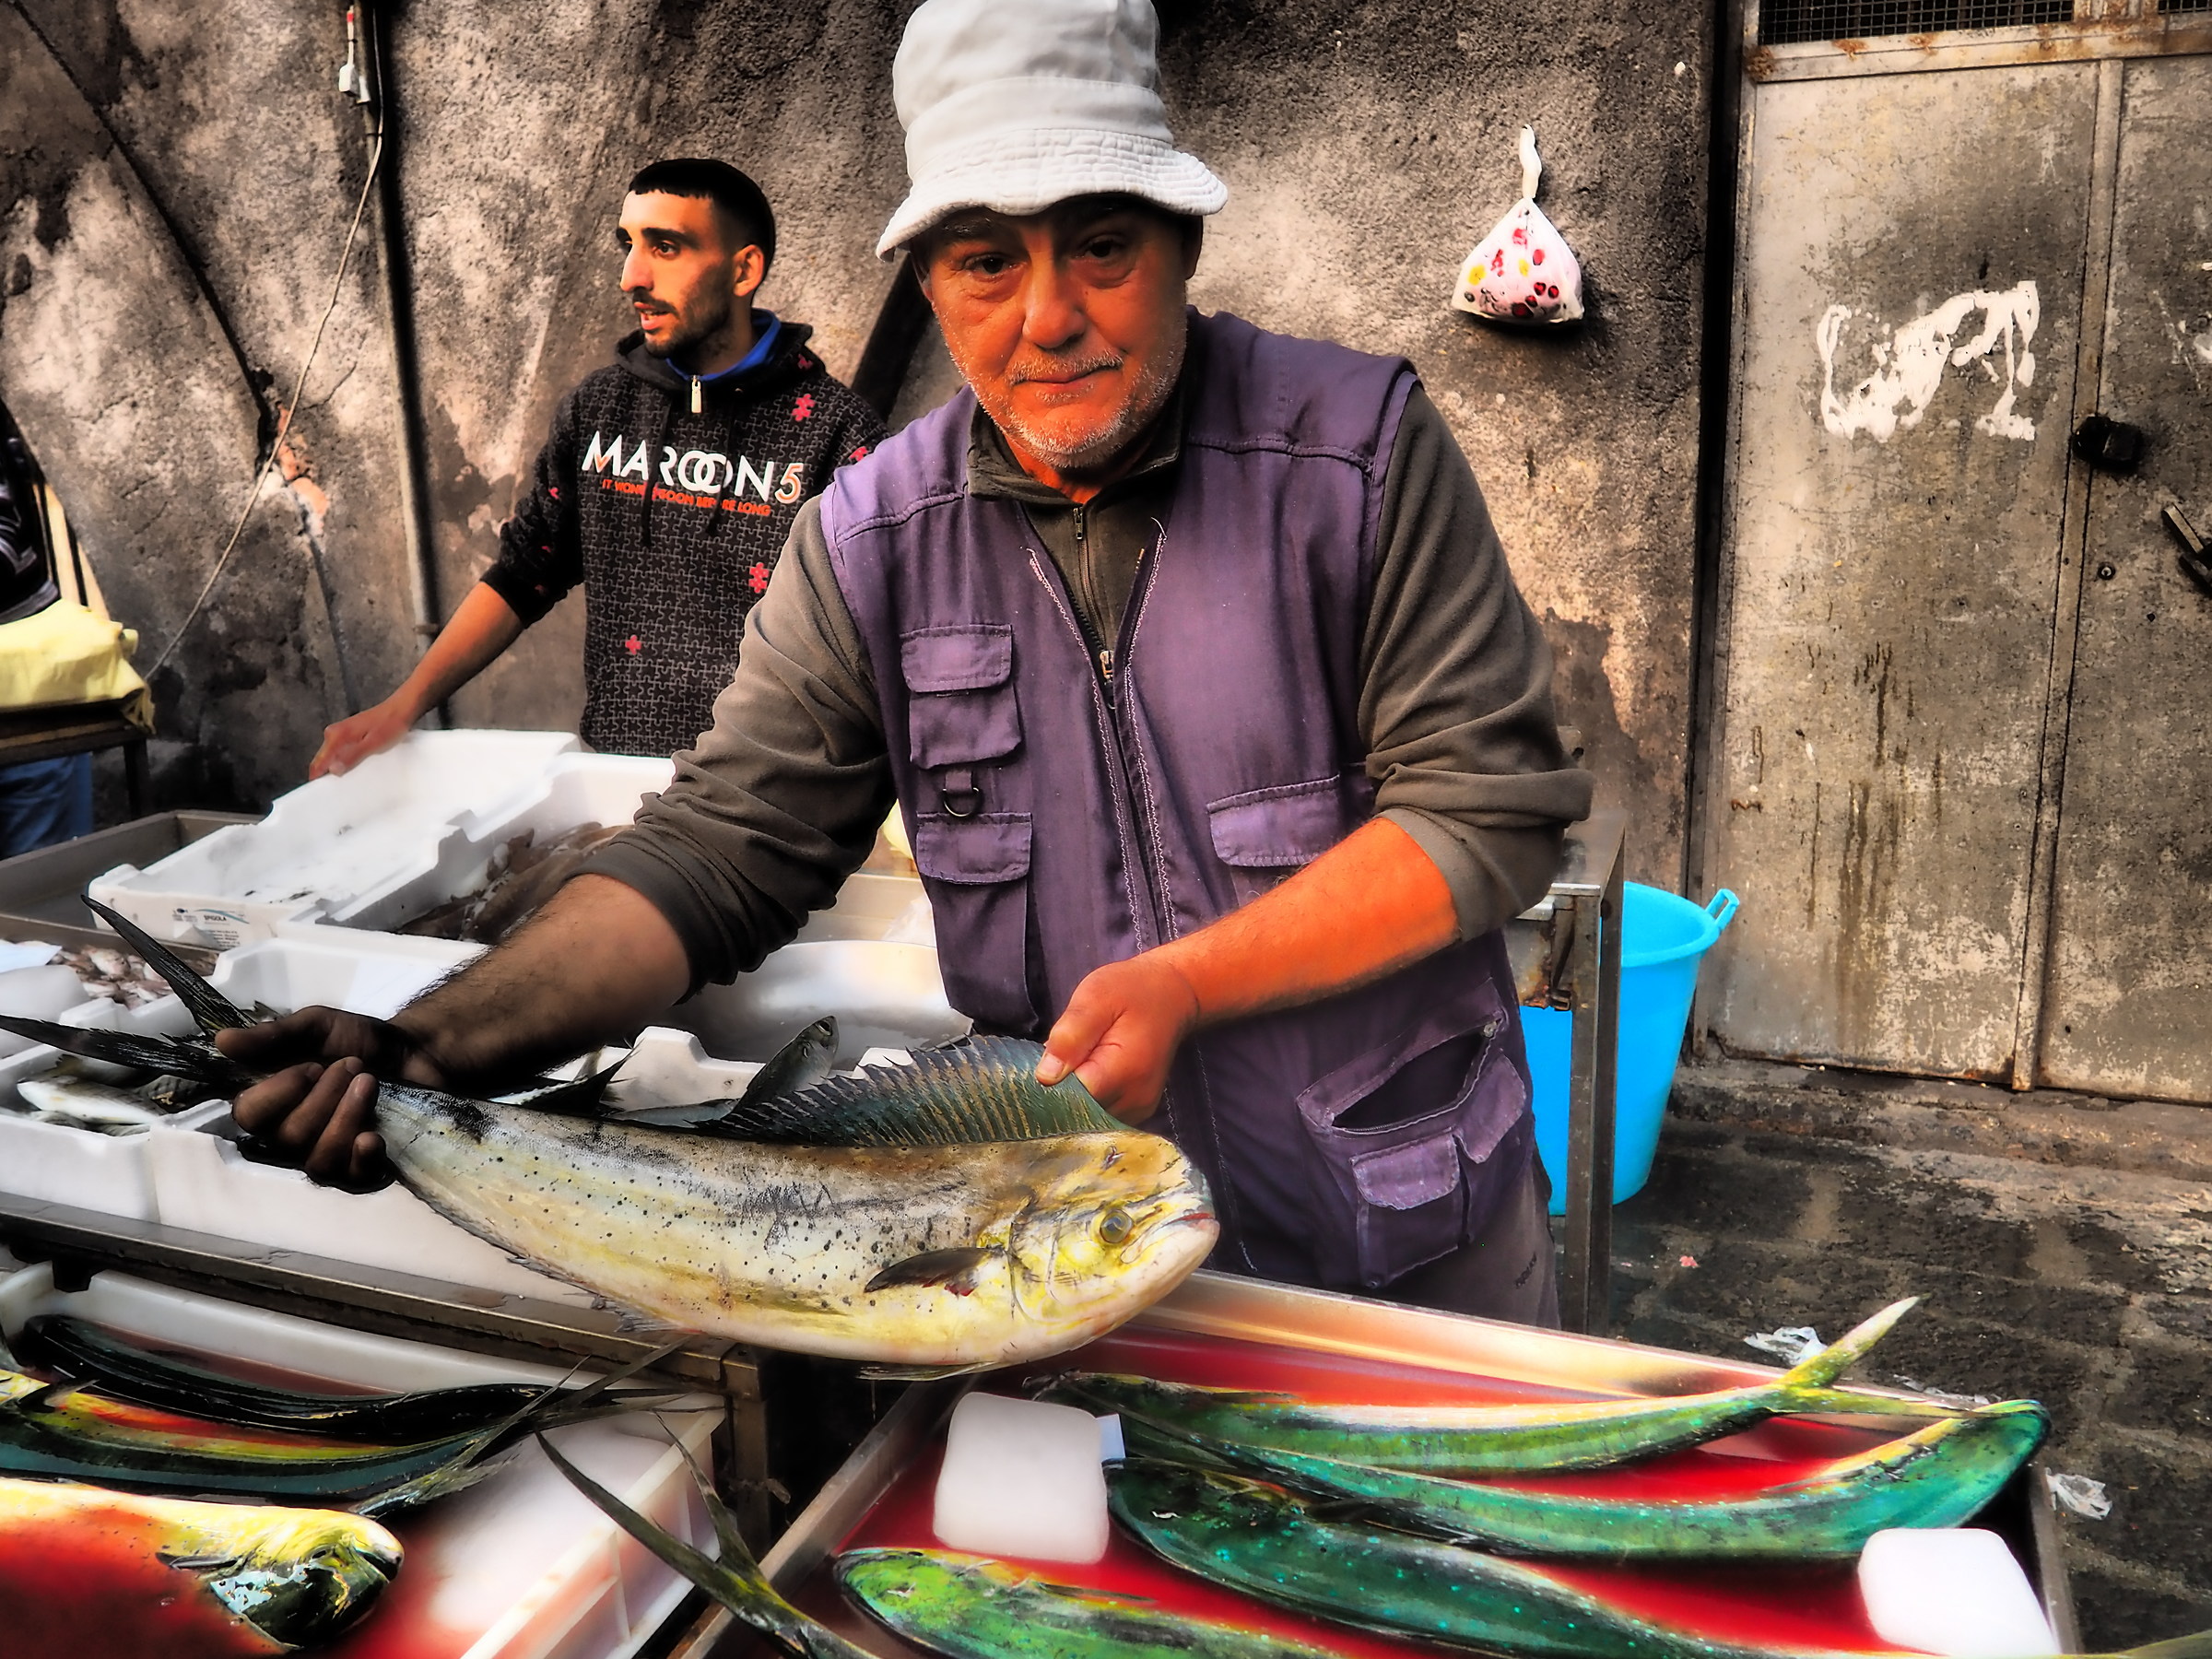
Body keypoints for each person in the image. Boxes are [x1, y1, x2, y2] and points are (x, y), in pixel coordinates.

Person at [227, 0, 1594, 1324]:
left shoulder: (1356, 457)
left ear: (1179, 243)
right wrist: (424, 1045)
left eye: (1102, 248)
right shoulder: (874, 537)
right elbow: (719, 850)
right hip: (1058, 1277)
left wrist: (1190, 981)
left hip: (1403, 1261)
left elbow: (1484, 813)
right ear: (932, 279)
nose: (1047, 317)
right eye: (987, 262)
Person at [311, 159, 885, 771]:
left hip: (770, 801)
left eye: (665, 247)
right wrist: (403, 706)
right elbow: (524, 572)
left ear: (744, 269)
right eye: (628, 245)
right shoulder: (600, 408)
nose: (630, 277)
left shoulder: (840, 435)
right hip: (616, 782)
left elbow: (886, 634)